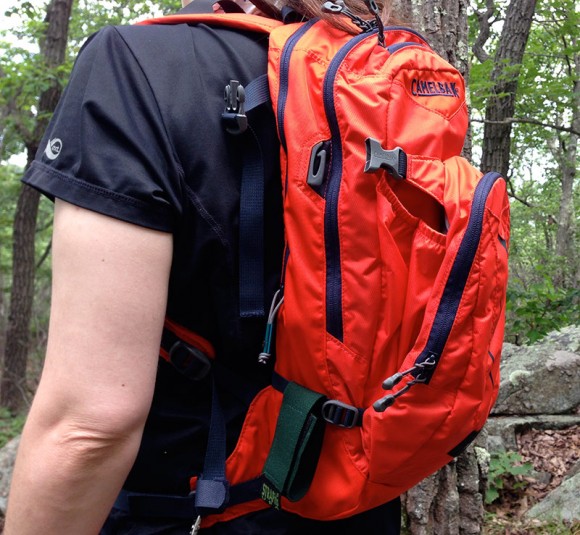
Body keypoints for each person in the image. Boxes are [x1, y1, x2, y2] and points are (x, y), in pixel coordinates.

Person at [4, 1, 401, 533]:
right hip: (352, 503)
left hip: (192, 509)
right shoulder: (381, 90)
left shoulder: (135, 66)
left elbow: (90, 429)